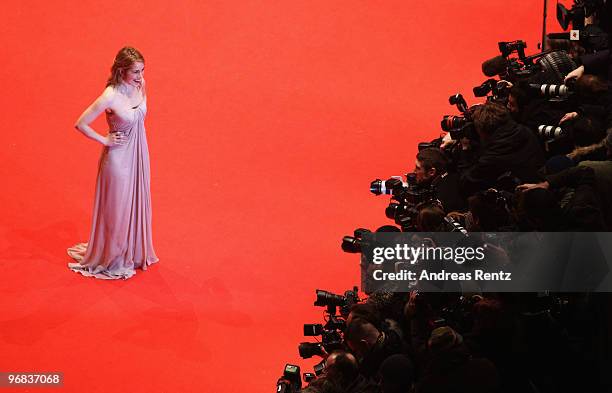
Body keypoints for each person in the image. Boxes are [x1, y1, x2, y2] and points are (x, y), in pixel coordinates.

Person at [67, 47, 158, 279]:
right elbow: (81, 123)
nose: (140, 76)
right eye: (135, 71)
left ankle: (132, 252)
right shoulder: (109, 95)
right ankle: (113, 257)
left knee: (135, 202)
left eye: (142, 70)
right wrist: (104, 139)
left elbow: (139, 112)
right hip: (117, 159)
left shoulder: (141, 84)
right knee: (117, 208)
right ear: (121, 70)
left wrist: (141, 79)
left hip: (138, 153)